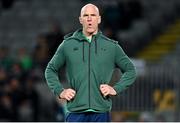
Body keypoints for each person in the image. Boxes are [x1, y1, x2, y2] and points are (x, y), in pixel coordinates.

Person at [45, 3, 136, 122]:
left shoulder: (111, 47)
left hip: (101, 112)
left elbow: (131, 70)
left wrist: (115, 89)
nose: (89, 19)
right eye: (86, 15)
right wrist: (60, 91)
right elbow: (50, 70)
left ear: (99, 19)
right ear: (80, 19)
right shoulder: (68, 45)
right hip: (75, 112)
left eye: (93, 15)